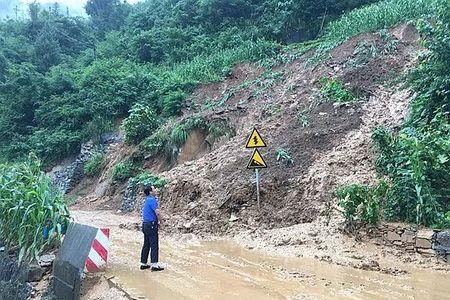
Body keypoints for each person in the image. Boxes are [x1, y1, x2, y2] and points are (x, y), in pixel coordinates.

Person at [140, 185, 164, 271]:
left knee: (146, 244)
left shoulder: (146, 200)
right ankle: (154, 265)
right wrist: (162, 222)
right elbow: (157, 212)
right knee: (154, 245)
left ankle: (143, 263)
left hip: (145, 224)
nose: (156, 190)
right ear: (150, 192)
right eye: (154, 189)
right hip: (151, 225)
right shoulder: (152, 200)